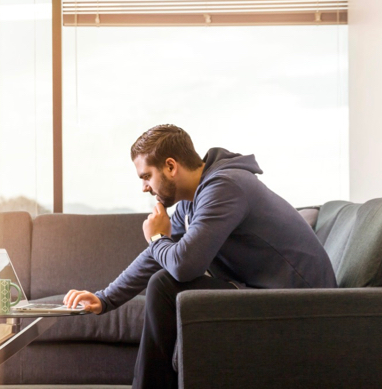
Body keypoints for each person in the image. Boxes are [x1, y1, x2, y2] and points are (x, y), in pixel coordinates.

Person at [64, 124, 337, 389]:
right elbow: (156, 257)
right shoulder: (191, 201)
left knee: (165, 285)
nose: (144, 188)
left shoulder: (225, 187)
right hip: (264, 293)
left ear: (170, 167)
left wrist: (159, 238)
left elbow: (183, 265)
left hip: (303, 303)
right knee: (163, 281)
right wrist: (104, 298)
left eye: (146, 176)